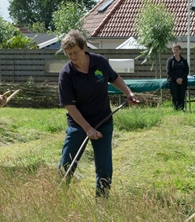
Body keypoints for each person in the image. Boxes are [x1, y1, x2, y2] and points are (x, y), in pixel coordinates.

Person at [58, 30, 139, 197]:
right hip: (79, 126)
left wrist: (128, 92)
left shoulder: (99, 62)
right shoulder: (66, 75)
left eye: (75, 52)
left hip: (104, 121)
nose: (72, 57)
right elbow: (70, 106)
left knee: (104, 166)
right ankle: (58, 198)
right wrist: (87, 128)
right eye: (69, 54)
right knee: (68, 163)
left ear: (84, 47)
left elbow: (114, 77)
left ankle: (101, 203)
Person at [166, 44, 189, 111]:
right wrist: (176, 79)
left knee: (182, 96)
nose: (176, 50)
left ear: (180, 50)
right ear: (172, 50)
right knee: (175, 96)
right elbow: (168, 71)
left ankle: (182, 109)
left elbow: (187, 70)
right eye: (174, 49)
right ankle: (176, 109)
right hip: (173, 81)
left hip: (183, 81)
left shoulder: (183, 60)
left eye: (177, 49)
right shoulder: (170, 60)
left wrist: (181, 78)